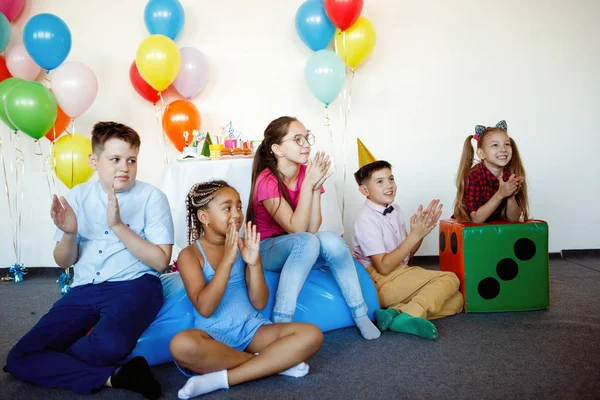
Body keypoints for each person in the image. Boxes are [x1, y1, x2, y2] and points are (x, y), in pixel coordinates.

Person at [5, 122, 174, 399]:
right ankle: (113, 377)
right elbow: (63, 260)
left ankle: (47, 362)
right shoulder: (79, 197)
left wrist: (119, 225)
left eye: (132, 160)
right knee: (17, 358)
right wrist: (70, 233)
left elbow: (160, 262)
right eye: (115, 159)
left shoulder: (152, 198)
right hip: (84, 289)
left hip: (134, 284)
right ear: (94, 161)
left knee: (108, 346)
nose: (125, 167)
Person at [171, 180, 323, 399]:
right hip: (213, 336)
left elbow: (259, 302)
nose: (237, 214)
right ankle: (273, 364)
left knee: (312, 334)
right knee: (181, 345)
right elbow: (205, 308)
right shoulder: (190, 255)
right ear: (204, 217)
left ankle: (222, 379)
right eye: (227, 208)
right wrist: (227, 261)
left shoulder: (246, 244)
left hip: (252, 330)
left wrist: (254, 263)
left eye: (239, 207)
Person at [246, 116, 380, 340]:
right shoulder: (266, 180)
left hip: (299, 244)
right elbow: (296, 229)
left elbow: (312, 227)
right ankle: (281, 320)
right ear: (277, 149)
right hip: (267, 250)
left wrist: (315, 188)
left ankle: (360, 313)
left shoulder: (306, 174)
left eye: (306, 137)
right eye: (297, 139)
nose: (306, 144)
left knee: (333, 240)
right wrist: (309, 184)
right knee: (308, 241)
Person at [352, 139, 463, 339]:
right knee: (449, 278)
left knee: (457, 301)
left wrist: (420, 233)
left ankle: (396, 313)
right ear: (364, 190)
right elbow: (384, 267)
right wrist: (414, 235)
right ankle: (409, 312)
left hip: (400, 273)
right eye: (380, 181)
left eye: (391, 178)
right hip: (378, 282)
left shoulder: (395, 209)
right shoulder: (365, 219)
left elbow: (405, 255)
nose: (389, 186)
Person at [453, 120, 529, 223]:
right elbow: (476, 219)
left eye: (507, 144)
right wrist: (500, 194)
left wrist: (511, 196)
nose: (503, 149)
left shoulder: (509, 176)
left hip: (494, 231)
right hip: (471, 232)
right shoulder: (474, 177)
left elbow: (513, 219)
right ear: (481, 153)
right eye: (495, 145)